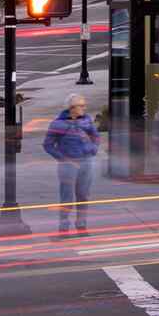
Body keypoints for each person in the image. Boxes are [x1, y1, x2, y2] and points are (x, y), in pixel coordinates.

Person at [42, 93, 100, 233]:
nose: (84, 108)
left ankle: (81, 223)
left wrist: (93, 149)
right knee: (66, 196)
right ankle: (64, 223)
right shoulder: (58, 124)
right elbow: (48, 145)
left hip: (87, 162)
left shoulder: (87, 120)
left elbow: (96, 137)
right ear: (71, 108)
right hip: (68, 165)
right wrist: (63, 159)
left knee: (83, 195)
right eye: (81, 105)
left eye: (84, 105)